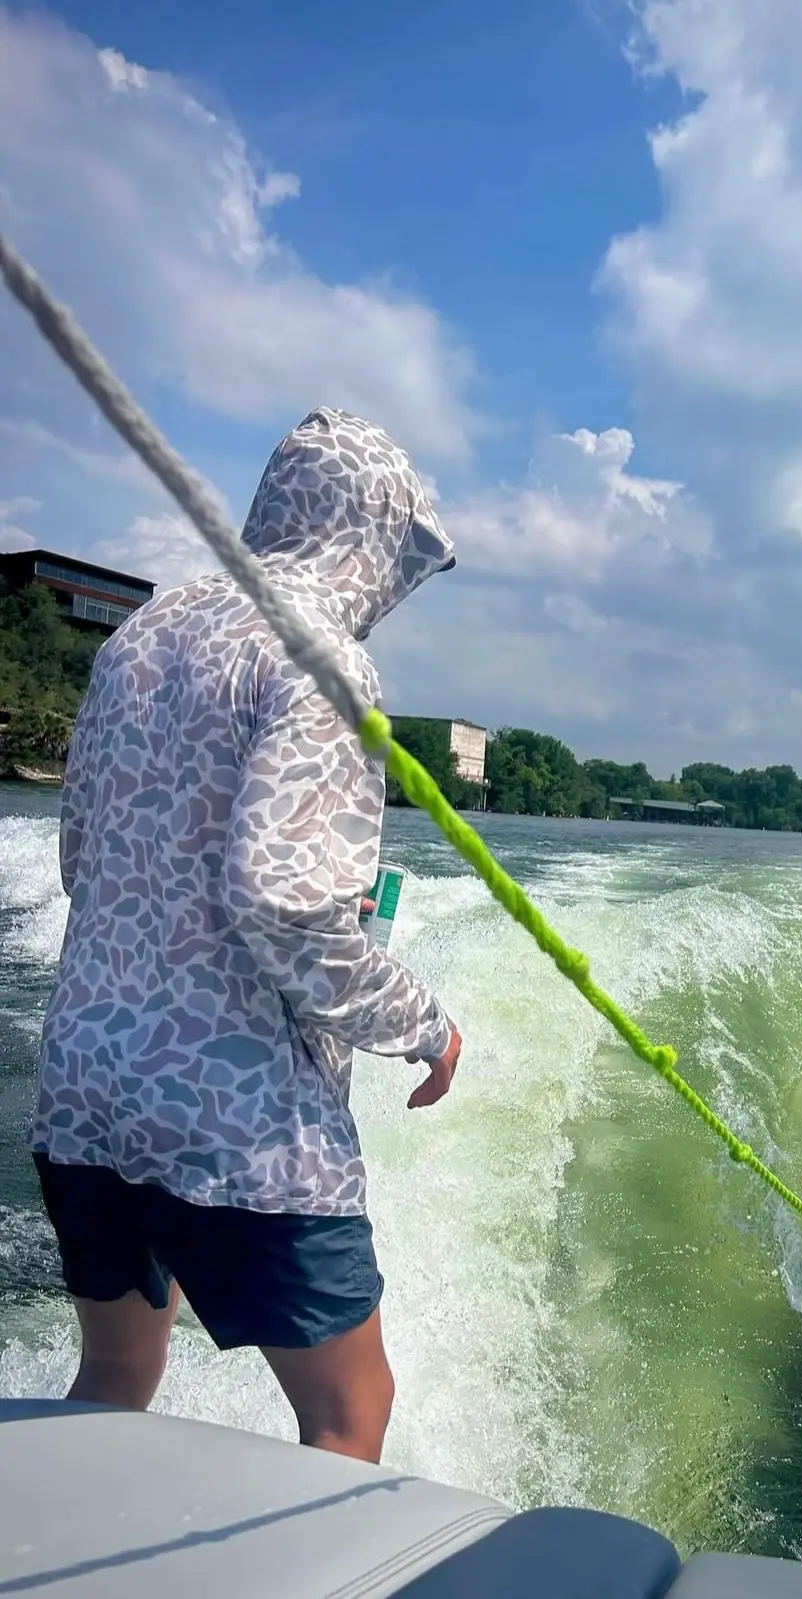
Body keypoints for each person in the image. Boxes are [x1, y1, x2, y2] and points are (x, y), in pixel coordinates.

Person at [29, 408, 461, 1462]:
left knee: (118, 1372)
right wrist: (426, 1025)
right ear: (372, 534)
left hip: (87, 1085)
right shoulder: (325, 655)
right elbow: (286, 909)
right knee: (346, 1413)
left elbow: (82, 861)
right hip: (236, 1121)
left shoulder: (143, 632)